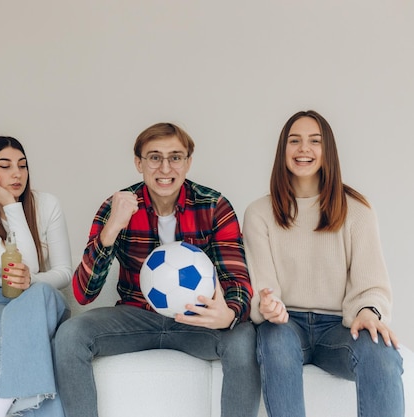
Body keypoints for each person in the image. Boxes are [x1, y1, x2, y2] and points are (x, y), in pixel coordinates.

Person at [54, 122, 261, 417]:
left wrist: (229, 312)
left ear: (188, 162)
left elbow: (236, 277)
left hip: (196, 319)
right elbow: (83, 293)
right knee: (70, 335)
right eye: (154, 157)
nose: (165, 168)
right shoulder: (117, 206)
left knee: (243, 338)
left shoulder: (214, 205)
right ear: (139, 163)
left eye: (175, 157)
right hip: (135, 316)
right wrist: (111, 229)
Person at [243, 110, 405, 417]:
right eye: (295, 141)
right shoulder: (259, 213)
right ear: (283, 151)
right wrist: (268, 305)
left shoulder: (357, 211)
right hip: (286, 325)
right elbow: (263, 285)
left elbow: (371, 284)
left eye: (314, 141)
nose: (304, 149)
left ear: (326, 151)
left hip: (339, 329)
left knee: (382, 352)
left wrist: (369, 312)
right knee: (275, 341)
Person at [0, 136, 72, 417]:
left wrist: (11, 205)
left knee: (41, 292)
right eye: (5, 166)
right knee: (39, 352)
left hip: (41, 302)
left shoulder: (47, 205)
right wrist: (9, 204)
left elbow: (59, 272)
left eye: (22, 165)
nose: (17, 173)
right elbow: (23, 265)